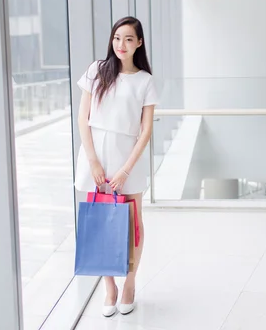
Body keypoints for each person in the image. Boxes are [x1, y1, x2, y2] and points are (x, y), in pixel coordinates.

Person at [75, 16, 158, 316]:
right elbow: (83, 119)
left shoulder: (145, 81)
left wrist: (125, 170)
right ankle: (108, 285)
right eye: (116, 38)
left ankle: (130, 283)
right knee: (99, 220)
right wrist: (93, 161)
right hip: (95, 154)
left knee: (133, 224)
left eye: (127, 39)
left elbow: (146, 131)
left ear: (139, 43)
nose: (120, 44)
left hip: (129, 158)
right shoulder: (97, 71)